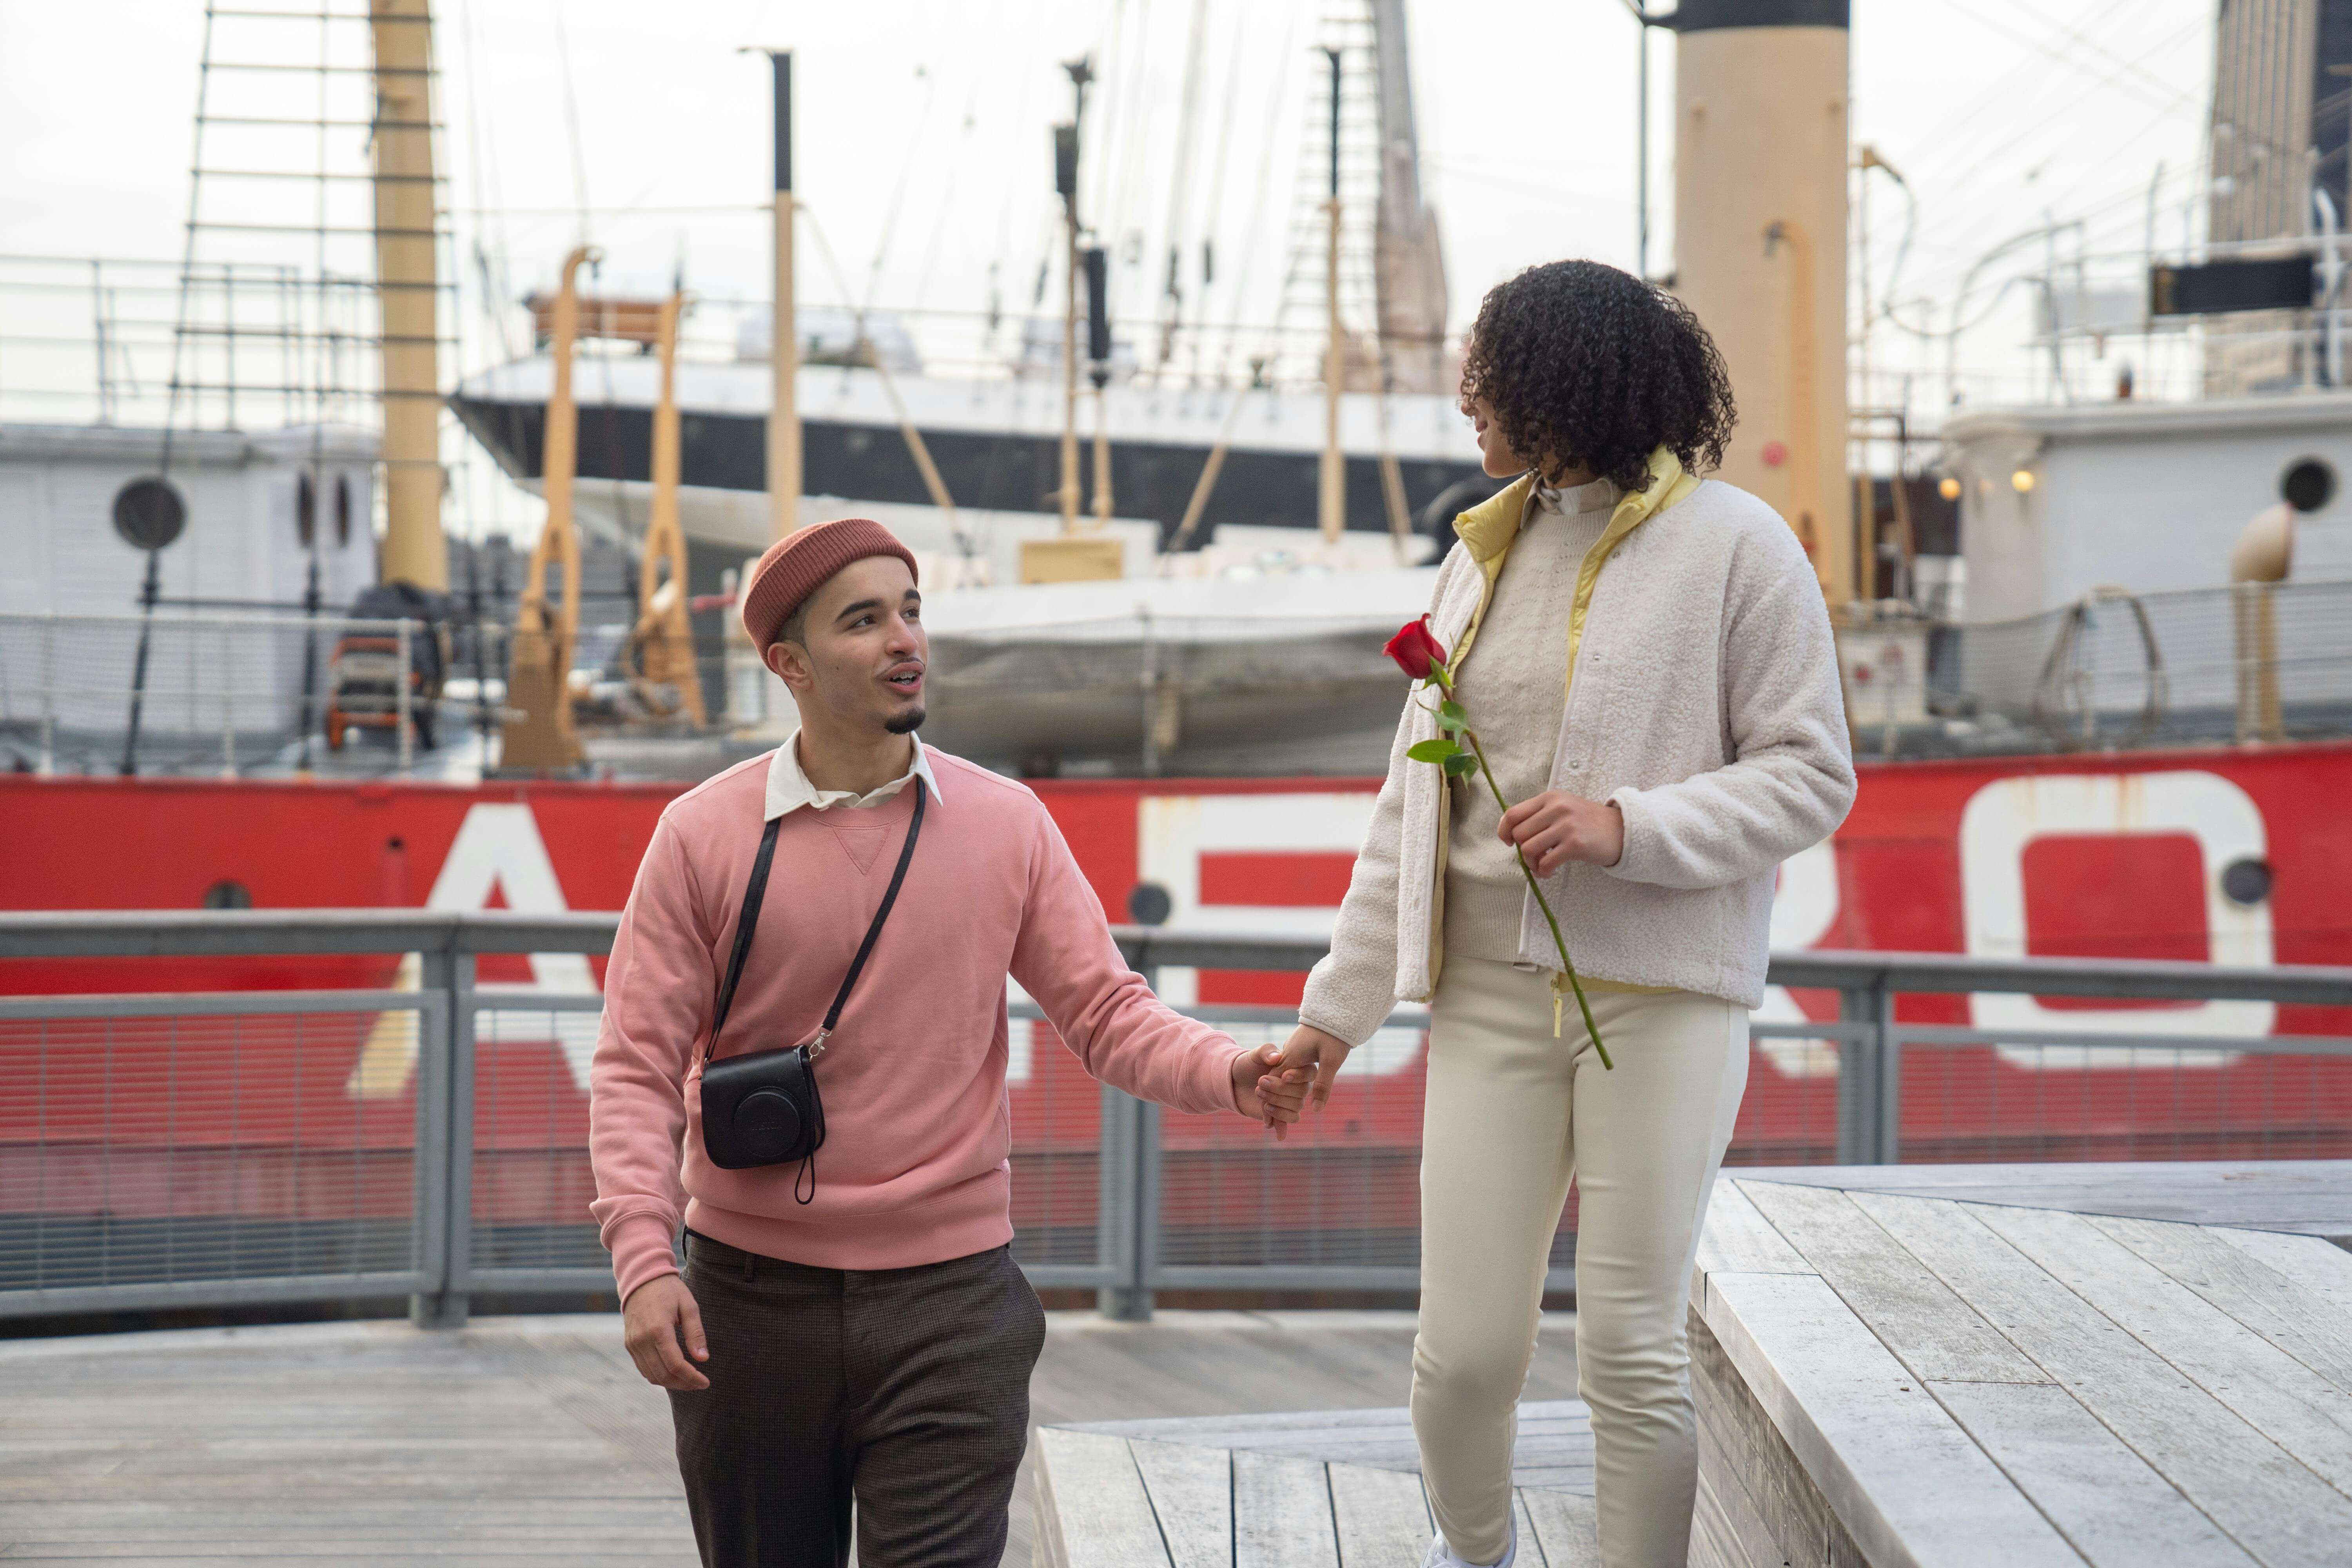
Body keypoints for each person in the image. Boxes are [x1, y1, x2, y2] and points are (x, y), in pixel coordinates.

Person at [588, 517, 1309, 1568]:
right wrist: (645, 1264)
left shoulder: (1006, 823)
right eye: (865, 620)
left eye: (912, 610)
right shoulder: (701, 834)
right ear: (788, 663)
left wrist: (1232, 1072)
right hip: (746, 1308)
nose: (905, 640)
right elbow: (637, 1066)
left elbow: (1107, 1013)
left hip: (954, 1308)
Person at [1278, 261, 1855, 1568]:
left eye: (1485, 376)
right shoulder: (1480, 556)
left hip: (1661, 998)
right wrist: (1332, 1017)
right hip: (1485, 996)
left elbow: (1813, 770)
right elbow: (1409, 811)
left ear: (1561, 381)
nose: (1464, 400)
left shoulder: (1738, 546)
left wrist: (1627, 828)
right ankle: (1471, 1554)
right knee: (1464, 1351)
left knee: (1629, 1345)